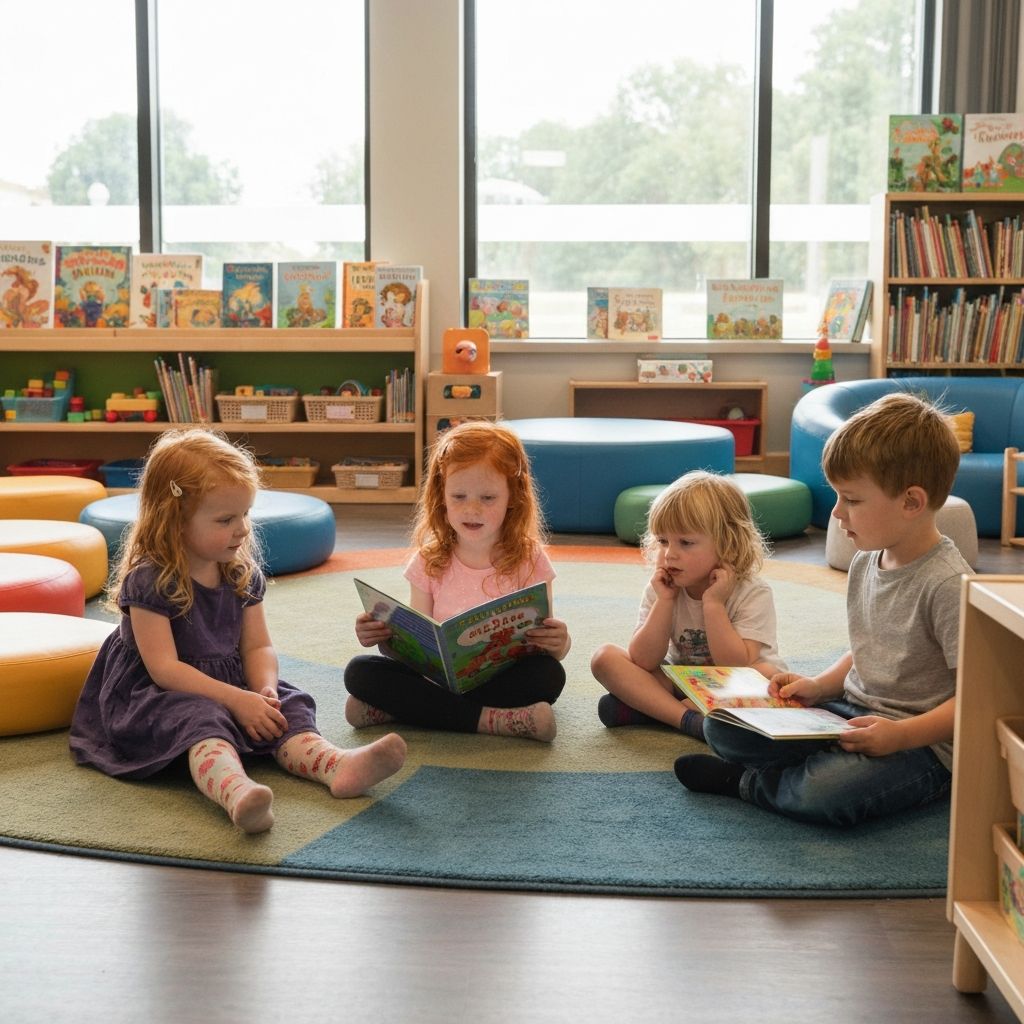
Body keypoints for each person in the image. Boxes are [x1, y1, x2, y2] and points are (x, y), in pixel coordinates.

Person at [69, 428, 407, 834]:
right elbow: (164, 671)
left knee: (289, 704)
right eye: (226, 519)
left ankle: (336, 765)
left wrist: (261, 690)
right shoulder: (150, 582)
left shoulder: (238, 572)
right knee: (201, 718)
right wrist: (236, 700)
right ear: (175, 520)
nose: (243, 529)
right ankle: (236, 792)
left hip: (229, 681)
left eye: (245, 514)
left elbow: (258, 645)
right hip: (159, 694)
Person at [674, 392, 971, 826]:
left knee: (825, 793)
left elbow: (974, 700)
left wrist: (900, 735)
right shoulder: (869, 559)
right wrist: (821, 686)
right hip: (849, 713)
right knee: (724, 724)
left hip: (920, 745)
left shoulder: (947, 584)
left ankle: (748, 784)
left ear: (911, 503)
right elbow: (870, 648)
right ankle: (796, 768)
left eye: (851, 500)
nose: (836, 513)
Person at [344, 421, 570, 741]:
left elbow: (545, 646)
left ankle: (403, 710)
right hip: (436, 680)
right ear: (442, 496)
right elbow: (412, 651)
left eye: (488, 497)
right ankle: (495, 720)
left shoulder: (530, 560)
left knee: (548, 676)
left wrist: (560, 643)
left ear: (513, 498)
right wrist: (382, 637)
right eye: (459, 496)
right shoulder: (429, 560)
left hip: (501, 677)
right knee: (359, 672)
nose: (472, 509)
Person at [591, 470, 785, 739]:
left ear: (728, 543)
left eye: (686, 542)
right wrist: (665, 601)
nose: (670, 554)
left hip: (737, 683)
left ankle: (651, 710)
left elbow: (736, 666)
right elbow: (644, 659)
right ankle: (687, 719)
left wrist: (714, 604)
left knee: (768, 674)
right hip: (684, 681)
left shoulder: (753, 592)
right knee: (605, 658)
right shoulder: (663, 588)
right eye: (662, 541)